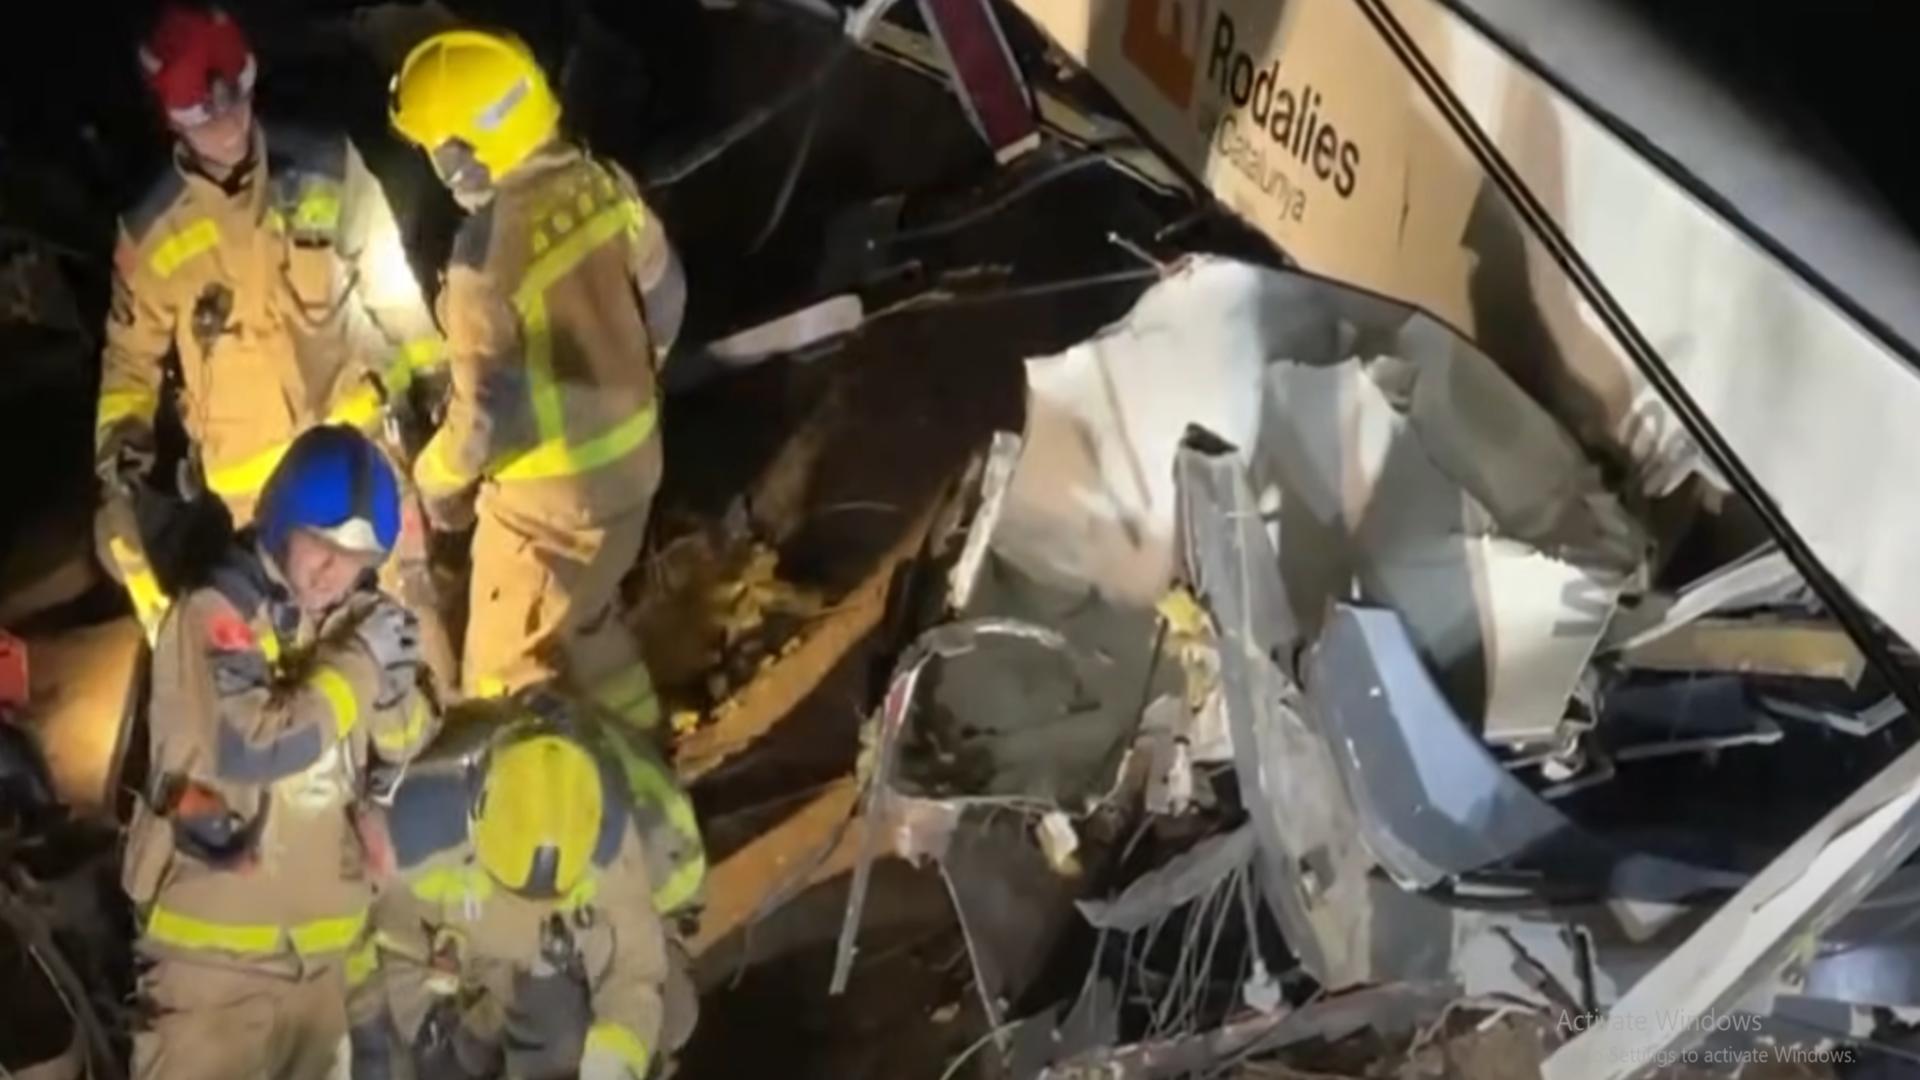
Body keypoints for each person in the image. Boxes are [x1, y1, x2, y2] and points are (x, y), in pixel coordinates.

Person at [95, 2, 457, 690]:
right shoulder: (152, 232)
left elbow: (387, 280)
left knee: (410, 613)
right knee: (298, 660)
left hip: (360, 451)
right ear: (172, 118)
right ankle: (343, 788)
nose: (229, 124)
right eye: (205, 114)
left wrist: (431, 369)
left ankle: (455, 765)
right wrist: (121, 444)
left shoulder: (324, 165)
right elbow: (129, 357)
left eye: (234, 100)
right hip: (255, 489)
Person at [387, 28, 687, 731]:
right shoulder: (601, 183)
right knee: (586, 621)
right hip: (638, 468)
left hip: (549, 507)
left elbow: (489, 420)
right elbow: (667, 295)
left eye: (437, 147)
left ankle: (546, 816)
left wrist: (433, 481)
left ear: (462, 152)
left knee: (499, 680)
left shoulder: (481, 264)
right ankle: (645, 753)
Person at [121, 425, 442, 1079]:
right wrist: (360, 665)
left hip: (321, 974)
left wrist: (394, 683)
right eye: (319, 546)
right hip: (213, 981)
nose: (332, 573)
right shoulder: (214, 613)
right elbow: (253, 745)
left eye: (355, 559)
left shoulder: (354, 624)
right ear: (280, 523)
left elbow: (405, 742)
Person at [353, 689, 702, 1079]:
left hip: (556, 952)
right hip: (465, 969)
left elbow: (634, 966)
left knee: (672, 1015)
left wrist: (614, 1066)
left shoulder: (604, 827)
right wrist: (427, 1036)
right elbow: (384, 957)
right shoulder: (409, 834)